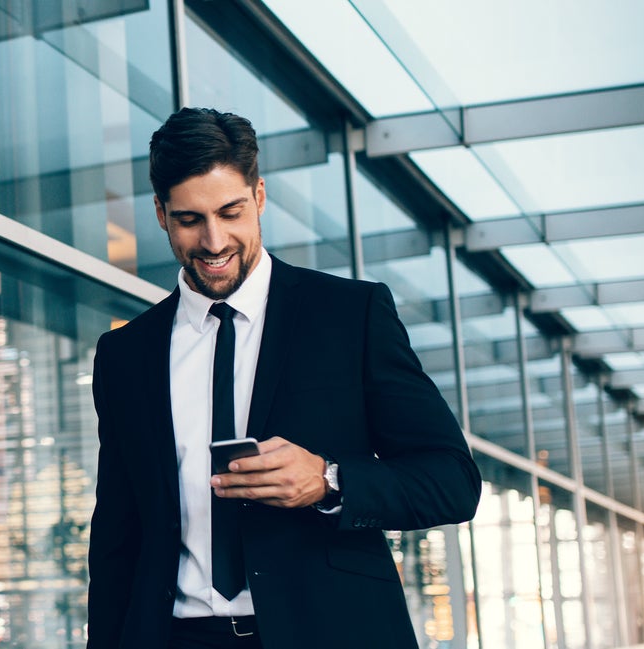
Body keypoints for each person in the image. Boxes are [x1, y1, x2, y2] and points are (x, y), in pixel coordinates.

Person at [86, 108, 481, 649]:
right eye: (189, 220)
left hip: (331, 632)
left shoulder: (350, 315)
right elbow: (116, 539)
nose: (214, 241)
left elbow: (454, 482)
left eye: (231, 212)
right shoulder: (124, 355)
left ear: (260, 196)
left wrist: (328, 481)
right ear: (160, 213)